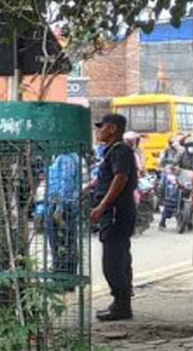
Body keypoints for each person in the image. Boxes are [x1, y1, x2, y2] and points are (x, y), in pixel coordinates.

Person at [89, 113, 139, 322]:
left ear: (112, 129)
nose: (99, 131)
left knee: (113, 260)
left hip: (116, 212)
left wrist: (102, 205)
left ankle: (121, 304)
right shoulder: (113, 152)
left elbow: (120, 178)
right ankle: (121, 303)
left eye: (102, 127)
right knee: (119, 257)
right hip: (116, 210)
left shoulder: (120, 151)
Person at [42, 151, 79, 276]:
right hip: (57, 203)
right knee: (60, 242)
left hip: (63, 205)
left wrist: (59, 207)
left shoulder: (66, 158)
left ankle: (64, 274)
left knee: (63, 242)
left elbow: (66, 182)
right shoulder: (58, 157)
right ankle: (60, 272)